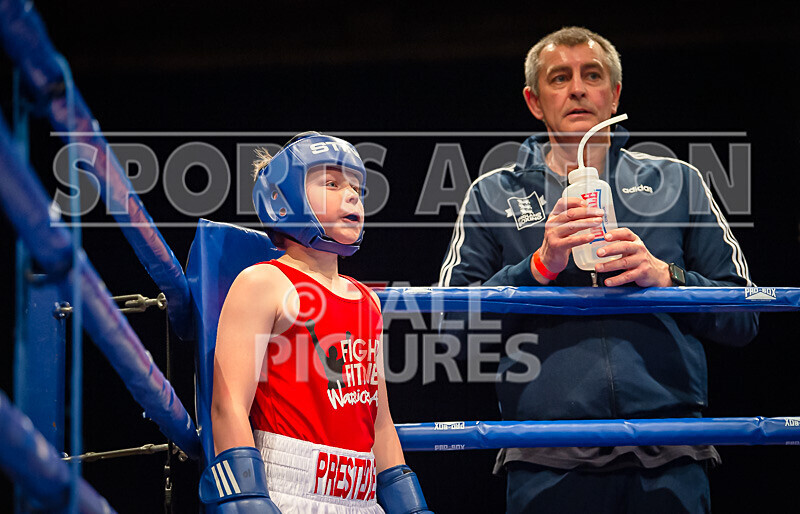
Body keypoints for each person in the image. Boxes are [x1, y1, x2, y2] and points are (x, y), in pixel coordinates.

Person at [438, 27, 758, 513]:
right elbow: (448, 327)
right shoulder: (492, 193)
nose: (578, 88)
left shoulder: (678, 181)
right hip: (546, 459)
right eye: (559, 77)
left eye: (592, 75)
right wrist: (537, 269)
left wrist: (665, 276)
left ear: (615, 95)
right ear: (534, 101)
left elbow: (745, 316)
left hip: (670, 452)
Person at [200, 132, 432, 513]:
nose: (353, 195)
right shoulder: (264, 282)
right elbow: (228, 405)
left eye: (357, 187)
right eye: (332, 183)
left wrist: (409, 505)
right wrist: (247, 500)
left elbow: (380, 422)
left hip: (363, 495)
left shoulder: (367, 300)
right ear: (285, 197)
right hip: (286, 489)